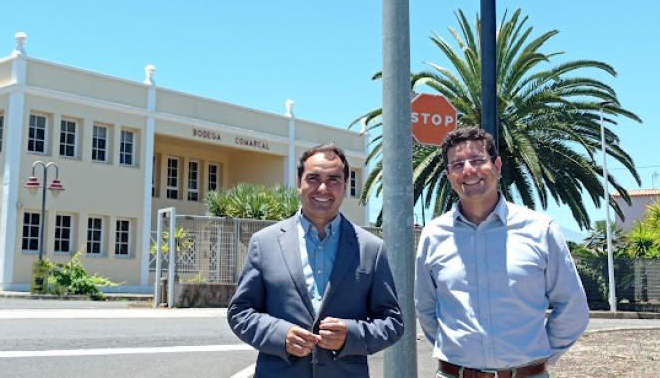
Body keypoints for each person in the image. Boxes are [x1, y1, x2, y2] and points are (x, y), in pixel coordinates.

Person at [415, 127, 589, 378]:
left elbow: (573, 307)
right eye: (457, 164)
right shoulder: (433, 235)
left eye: (477, 160)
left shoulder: (541, 230)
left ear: (497, 165)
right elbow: (426, 308)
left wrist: (535, 359)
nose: (468, 170)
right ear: (449, 175)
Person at [228, 143, 404, 377]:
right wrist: (281, 335)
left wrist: (350, 335)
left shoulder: (371, 248)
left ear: (344, 186)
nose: (323, 188)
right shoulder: (265, 242)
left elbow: (392, 322)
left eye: (333, 179)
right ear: (299, 182)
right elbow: (240, 311)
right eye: (313, 178)